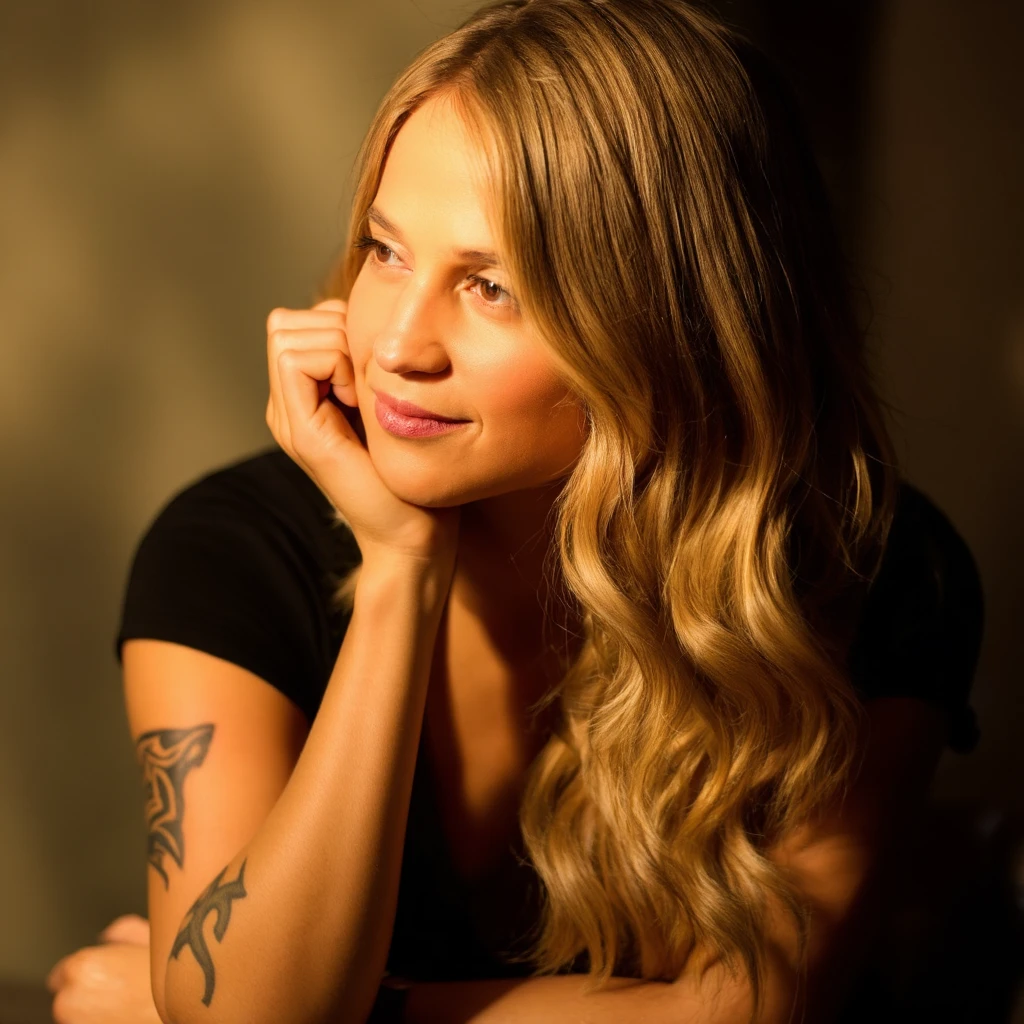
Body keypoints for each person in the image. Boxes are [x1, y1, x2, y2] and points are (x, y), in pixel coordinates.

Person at [44, 1, 984, 1022]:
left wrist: (369, 1010)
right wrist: (400, 569)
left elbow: (746, 1012)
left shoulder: (870, 564)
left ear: (670, 326)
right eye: (385, 251)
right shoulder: (229, 555)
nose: (398, 342)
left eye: (491, 287)